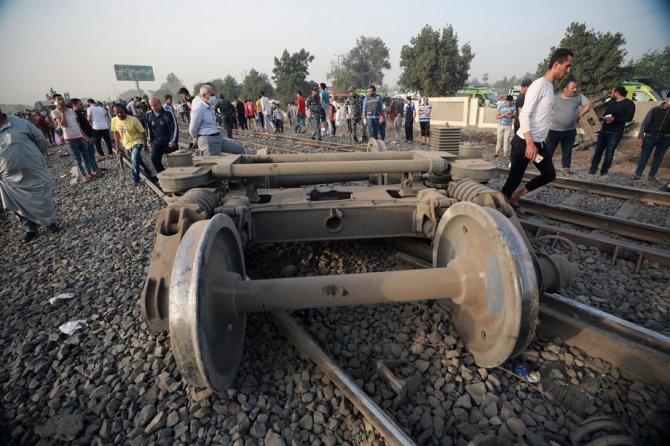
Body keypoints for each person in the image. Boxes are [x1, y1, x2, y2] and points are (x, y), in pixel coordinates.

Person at [501, 48, 574, 213]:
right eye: (567, 66)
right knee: (514, 179)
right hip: (525, 143)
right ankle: (499, 211)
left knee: (548, 174)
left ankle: (515, 197)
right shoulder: (539, 85)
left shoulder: (549, 86)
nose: (568, 71)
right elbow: (525, 114)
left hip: (538, 144)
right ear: (556, 64)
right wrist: (529, 144)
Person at [0, 107, 59, 243]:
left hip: (34, 171)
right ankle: (31, 228)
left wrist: (35, 159)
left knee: (42, 197)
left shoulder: (20, 123)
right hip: (8, 178)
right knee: (18, 203)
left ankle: (50, 223)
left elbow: (41, 141)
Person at [545, 79, 591, 174]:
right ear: (565, 89)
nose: (575, 89)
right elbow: (545, 108)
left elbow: (588, 105)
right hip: (555, 130)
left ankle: (566, 168)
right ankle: (544, 167)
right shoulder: (555, 98)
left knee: (567, 151)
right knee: (548, 150)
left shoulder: (578, 97)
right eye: (572, 88)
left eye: (575, 87)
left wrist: (579, 114)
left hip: (570, 131)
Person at [50, 94, 99, 182]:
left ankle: (89, 173)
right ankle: (84, 175)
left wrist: (85, 137)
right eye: (59, 99)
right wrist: (61, 112)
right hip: (70, 138)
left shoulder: (71, 111)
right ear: (55, 102)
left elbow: (77, 125)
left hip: (79, 136)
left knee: (86, 156)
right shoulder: (55, 112)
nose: (61, 100)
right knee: (78, 158)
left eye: (62, 98)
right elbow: (63, 124)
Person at [588, 86, 636, 176]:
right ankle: (592, 169)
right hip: (604, 130)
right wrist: (602, 118)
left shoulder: (629, 104)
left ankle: (604, 171)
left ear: (617, 93)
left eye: (612, 92)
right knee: (598, 151)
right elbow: (607, 114)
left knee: (609, 153)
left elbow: (629, 118)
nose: (611, 94)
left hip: (615, 132)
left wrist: (614, 119)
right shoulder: (612, 102)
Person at [190, 85, 245, 156]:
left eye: (214, 95)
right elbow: (192, 128)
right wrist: (195, 138)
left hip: (218, 137)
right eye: (212, 95)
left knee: (239, 149)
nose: (214, 97)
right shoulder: (199, 109)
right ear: (204, 95)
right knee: (213, 162)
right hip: (208, 139)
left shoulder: (210, 107)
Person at [629, 91, 670, 182]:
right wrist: (640, 137)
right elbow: (644, 123)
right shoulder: (655, 110)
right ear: (667, 98)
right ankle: (638, 174)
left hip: (665, 138)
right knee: (644, 156)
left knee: (658, 157)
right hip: (650, 137)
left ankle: (652, 176)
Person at [111, 104, 154, 186]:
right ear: (114, 113)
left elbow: (143, 132)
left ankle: (135, 178)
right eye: (117, 113)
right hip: (126, 143)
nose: (120, 114)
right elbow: (116, 133)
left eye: (121, 112)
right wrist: (117, 146)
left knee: (134, 158)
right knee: (137, 160)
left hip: (137, 141)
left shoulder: (133, 120)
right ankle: (148, 171)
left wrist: (145, 144)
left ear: (124, 110)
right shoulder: (114, 120)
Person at [146, 96, 179, 173]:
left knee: (175, 162)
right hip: (157, 143)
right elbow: (149, 129)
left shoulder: (168, 113)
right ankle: (163, 174)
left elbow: (175, 128)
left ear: (160, 104)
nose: (153, 107)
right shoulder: (148, 114)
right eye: (151, 105)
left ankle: (177, 176)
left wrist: (174, 141)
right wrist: (150, 141)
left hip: (169, 143)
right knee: (154, 159)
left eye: (155, 105)